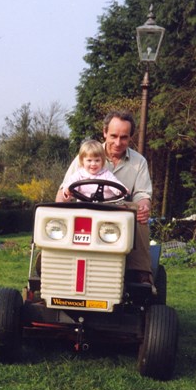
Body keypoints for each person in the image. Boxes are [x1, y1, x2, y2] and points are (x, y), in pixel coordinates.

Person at [56, 110, 155, 290]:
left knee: (139, 213)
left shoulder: (138, 162)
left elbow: (142, 193)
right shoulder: (87, 155)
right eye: (114, 136)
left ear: (130, 137)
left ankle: (141, 271)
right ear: (104, 133)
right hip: (85, 209)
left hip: (118, 212)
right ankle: (51, 261)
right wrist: (62, 202)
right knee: (54, 217)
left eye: (124, 137)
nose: (118, 143)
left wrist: (144, 205)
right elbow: (64, 189)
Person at [62, 139, 127, 200]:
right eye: (89, 160)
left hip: (106, 205)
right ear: (82, 161)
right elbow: (70, 184)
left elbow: (115, 183)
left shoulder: (106, 174)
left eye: (97, 160)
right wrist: (67, 190)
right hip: (85, 206)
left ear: (102, 161)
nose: (93, 164)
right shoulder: (79, 175)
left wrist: (121, 190)